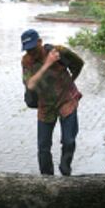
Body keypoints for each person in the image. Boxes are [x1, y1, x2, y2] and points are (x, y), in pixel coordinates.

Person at [21, 29, 84, 176]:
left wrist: (71, 81)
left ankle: (65, 168)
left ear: (40, 42)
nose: (31, 53)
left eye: (33, 48)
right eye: (27, 50)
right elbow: (30, 84)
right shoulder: (27, 61)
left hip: (66, 100)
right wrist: (47, 63)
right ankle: (47, 178)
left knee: (68, 140)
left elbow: (78, 64)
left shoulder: (60, 51)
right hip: (45, 105)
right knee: (43, 147)